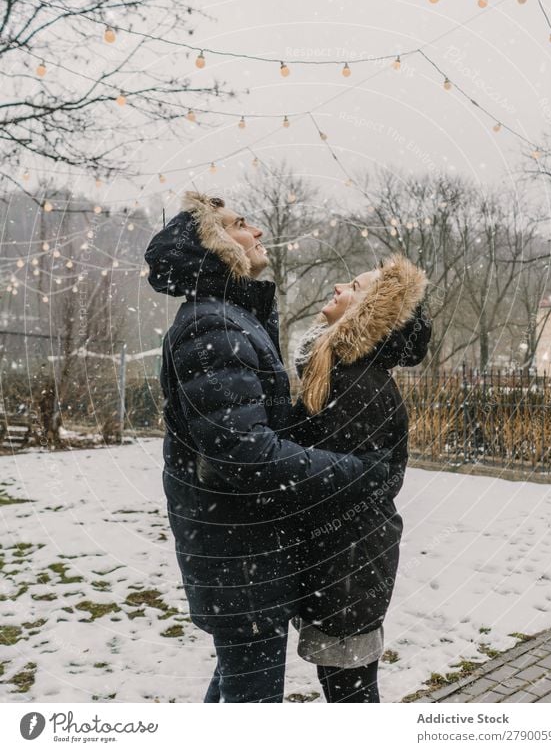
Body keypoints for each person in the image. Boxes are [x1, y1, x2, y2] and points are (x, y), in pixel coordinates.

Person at [144, 192, 392, 703]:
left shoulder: (231, 318)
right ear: (216, 248)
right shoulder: (212, 326)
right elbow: (249, 456)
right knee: (251, 699)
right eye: (241, 224)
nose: (256, 232)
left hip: (246, 552)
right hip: (240, 556)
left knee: (240, 686)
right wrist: (358, 471)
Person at [291, 253, 432, 702]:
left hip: (348, 565)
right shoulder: (339, 372)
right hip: (342, 561)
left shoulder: (356, 384)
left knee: (351, 698)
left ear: (369, 314)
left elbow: (357, 481)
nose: (337, 288)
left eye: (352, 286)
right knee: (345, 691)